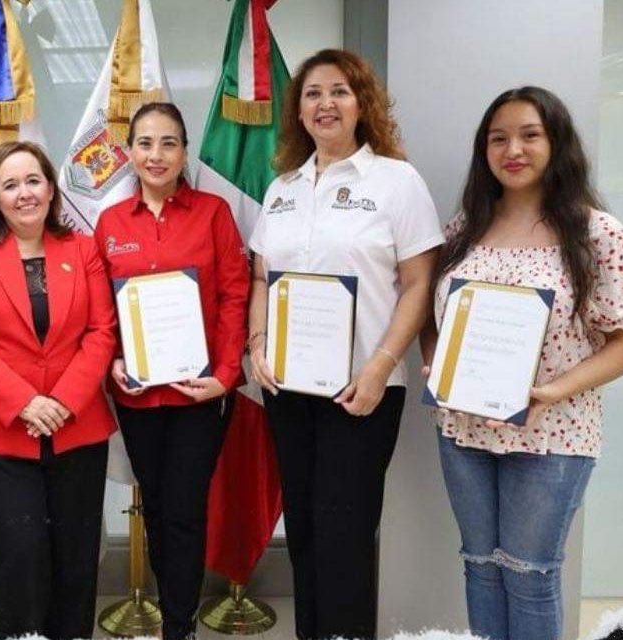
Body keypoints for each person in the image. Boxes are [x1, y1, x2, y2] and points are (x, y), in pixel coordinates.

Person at [421, 86, 623, 640]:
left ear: (557, 143)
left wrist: (551, 390)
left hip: (554, 434)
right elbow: (432, 321)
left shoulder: (597, 233)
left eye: (529, 135)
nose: (512, 149)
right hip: (464, 429)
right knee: (480, 567)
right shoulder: (462, 230)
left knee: (530, 574)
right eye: (498, 138)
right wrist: (437, 368)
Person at [246, 48, 443, 639]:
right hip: (288, 389)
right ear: (298, 111)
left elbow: (418, 283)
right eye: (312, 94)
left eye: (338, 91)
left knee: (346, 533)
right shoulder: (281, 188)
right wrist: (257, 342)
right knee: (303, 528)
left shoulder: (395, 181)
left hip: (363, 391)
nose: (325, 104)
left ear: (362, 104)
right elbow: (260, 278)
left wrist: (382, 367)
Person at [0, 140, 117, 640]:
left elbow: (102, 332)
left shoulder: (82, 250)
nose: (24, 194)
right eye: (10, 185)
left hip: (75, 427)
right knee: (20, 552)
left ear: (51, 189)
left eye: (33, 181)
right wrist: (23, 402)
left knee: (75, 553)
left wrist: (62, 400)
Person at [93, 102, 249, 640]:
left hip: (199, 395)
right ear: (129, 152)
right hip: (137, 397)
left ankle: (179, 627)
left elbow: (234, 296)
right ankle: (170, 613)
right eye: (144, 143)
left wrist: (226, 375)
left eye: (168, 143)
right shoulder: (111, 223)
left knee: (184, 511)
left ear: (184, 152)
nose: (155, 155)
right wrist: (112, 359)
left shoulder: (213, 213)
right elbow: (101, 309)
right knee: (155, 508)